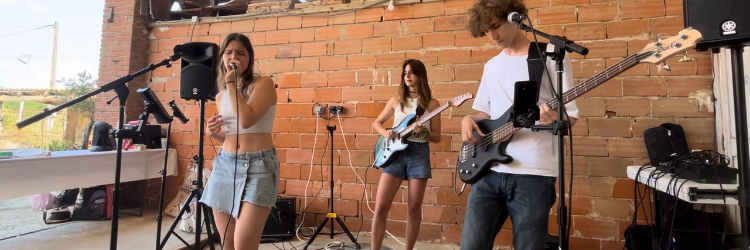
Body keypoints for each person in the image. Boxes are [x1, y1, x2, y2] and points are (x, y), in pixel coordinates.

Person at [459, 0, 579, 249]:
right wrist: (468, 119)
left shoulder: (552, 56)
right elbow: (486, 112)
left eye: (495, 26)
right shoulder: (491, 66)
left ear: (515, 17)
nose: (492, 35)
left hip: (533, 174)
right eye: (485, 31)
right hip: (488, 171)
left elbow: (571, 116)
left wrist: (554, 118)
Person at [199, 33, 279, 250]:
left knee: (243, 245)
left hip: (258, 167)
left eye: (240, 53)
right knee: (227, 245)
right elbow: (234, 136)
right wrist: (214, 134)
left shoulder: (263, 84)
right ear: (222, 59)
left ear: (249, 58)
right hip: (225, 165)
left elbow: (247, 119)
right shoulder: (220, 96)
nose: (234, 57)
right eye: (228, 52)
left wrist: (233, 85)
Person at [370, 59, 441, 250]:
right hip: (395, 154)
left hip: (418, 154)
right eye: (405, 73)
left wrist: (423, 132)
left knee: (413, 209)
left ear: (420, 75)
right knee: (380, 208)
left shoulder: (432, 104)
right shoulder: (396, 100)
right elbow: (376, 123)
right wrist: (386, 133)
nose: (407, 76)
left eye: (411, 72)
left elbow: (437, 137)